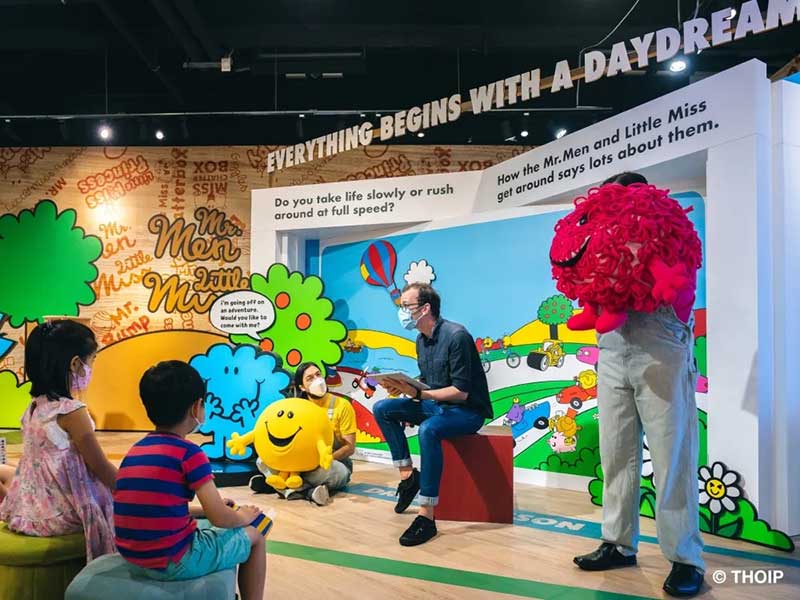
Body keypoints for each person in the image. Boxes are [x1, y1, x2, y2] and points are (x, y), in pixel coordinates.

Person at [572, 172, 705, 597]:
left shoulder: (671, 237)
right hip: (612, 348)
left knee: (671, 455)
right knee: (616, 453)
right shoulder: (601, 247)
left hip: (659, 346)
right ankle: (617, 542)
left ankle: (685, 558)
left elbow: (679, 290)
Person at [114, 361, 265, 599]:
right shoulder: (190, 453)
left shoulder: (136, 450)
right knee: (256, 535)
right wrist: (244, 516)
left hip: (133, 558)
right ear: (196, 407)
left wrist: (200, 510)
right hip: (174, 561)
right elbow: (220, 518)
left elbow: (154, 507)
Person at [373, 283, 493, 546]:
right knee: (382, 409)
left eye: (406, 305)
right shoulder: (420, 340)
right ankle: (408, 477)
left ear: (425, 308)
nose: (402, 311)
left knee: (429, 429)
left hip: (467, 411)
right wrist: (403, 386)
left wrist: (419, 394)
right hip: (437, 405)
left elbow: (461, 392)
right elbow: (429, 382)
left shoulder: (457, 336)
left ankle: (426, 515)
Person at [0, 320, 117, 560]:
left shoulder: (34, 407)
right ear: (75, 364)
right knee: (115, 499)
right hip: (59, 513)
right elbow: (100, 466)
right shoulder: (72, 411)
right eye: (92, 360)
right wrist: (136, 488)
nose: (92, 367)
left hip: (30, 509)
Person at [250, 361, 356, 506]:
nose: (317, 380)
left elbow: (349, 447)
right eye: (310, 378)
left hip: (328, 463)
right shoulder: (296, 407)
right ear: (302, 387)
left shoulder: (341, 405)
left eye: (318, 375)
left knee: (337, 472)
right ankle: (307, 492)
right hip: (296, 464)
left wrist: (324, 460)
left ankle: (281, 487)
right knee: (261, 461)